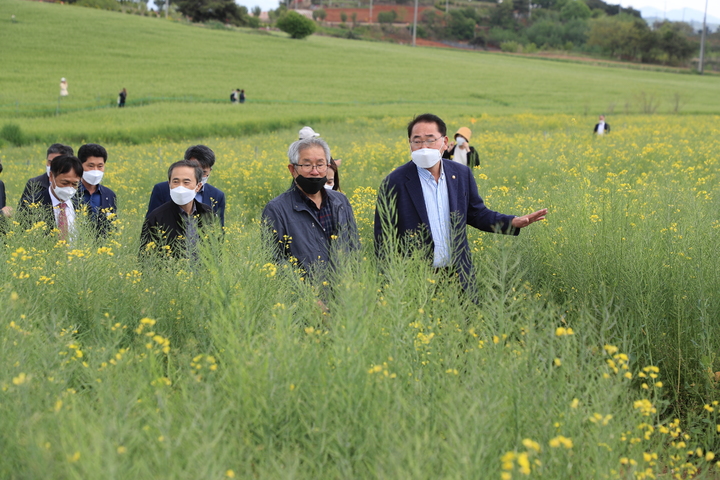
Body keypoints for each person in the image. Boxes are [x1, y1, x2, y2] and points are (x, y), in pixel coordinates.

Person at [374, 113, 547, 293]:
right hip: (415, 277)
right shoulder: (395, 181)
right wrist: (390, 282)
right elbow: (384, 236)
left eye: (430, 140)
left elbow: (476, 214)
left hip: (458, 274)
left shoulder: (461, 173)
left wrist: (511, 222)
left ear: (444, 141)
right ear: (409, 143)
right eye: (416, 141)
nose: (423, 146)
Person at [262, 137, 359, 276]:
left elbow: (354, 247)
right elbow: (274, 261)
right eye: (307, 165)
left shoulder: (341, 202)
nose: (315, 172)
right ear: (292, 169)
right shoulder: (276, 210)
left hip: (345, 293)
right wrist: (307, 295)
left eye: (320, 164)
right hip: (304, 295)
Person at [140, 160, 218, 259]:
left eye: (186, 182)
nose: (180, 187)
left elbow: (216, 252)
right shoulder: (156, 218)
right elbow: (145, 258)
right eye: (175, 182)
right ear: (169, 184)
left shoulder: (208, 213)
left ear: (198, 186)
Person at [146, 145, 226, 226]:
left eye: (203, 172)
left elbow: (218, 230)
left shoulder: (217, 195)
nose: (198, 175)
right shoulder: (162, 189)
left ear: (210, 170)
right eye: (194, 169)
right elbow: (150, 223)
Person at [17, 154, 83, 239]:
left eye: (75, 184)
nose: (69, 188)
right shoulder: (30, 204)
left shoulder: (81, 205)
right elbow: (22, 238)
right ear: (51, 176)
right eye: (64, 183)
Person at [77, 143, 117, 238]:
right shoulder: (70, 193)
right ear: (79, 166)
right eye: (90, 166)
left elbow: (112, 226)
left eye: (100, 166)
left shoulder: (109, 194)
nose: (95, 171)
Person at [18, 143, 74, 208]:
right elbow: (23, 211)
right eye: (50, 162)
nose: (52, 166)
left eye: (57, 163)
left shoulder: (75, 185)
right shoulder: (34, 183)